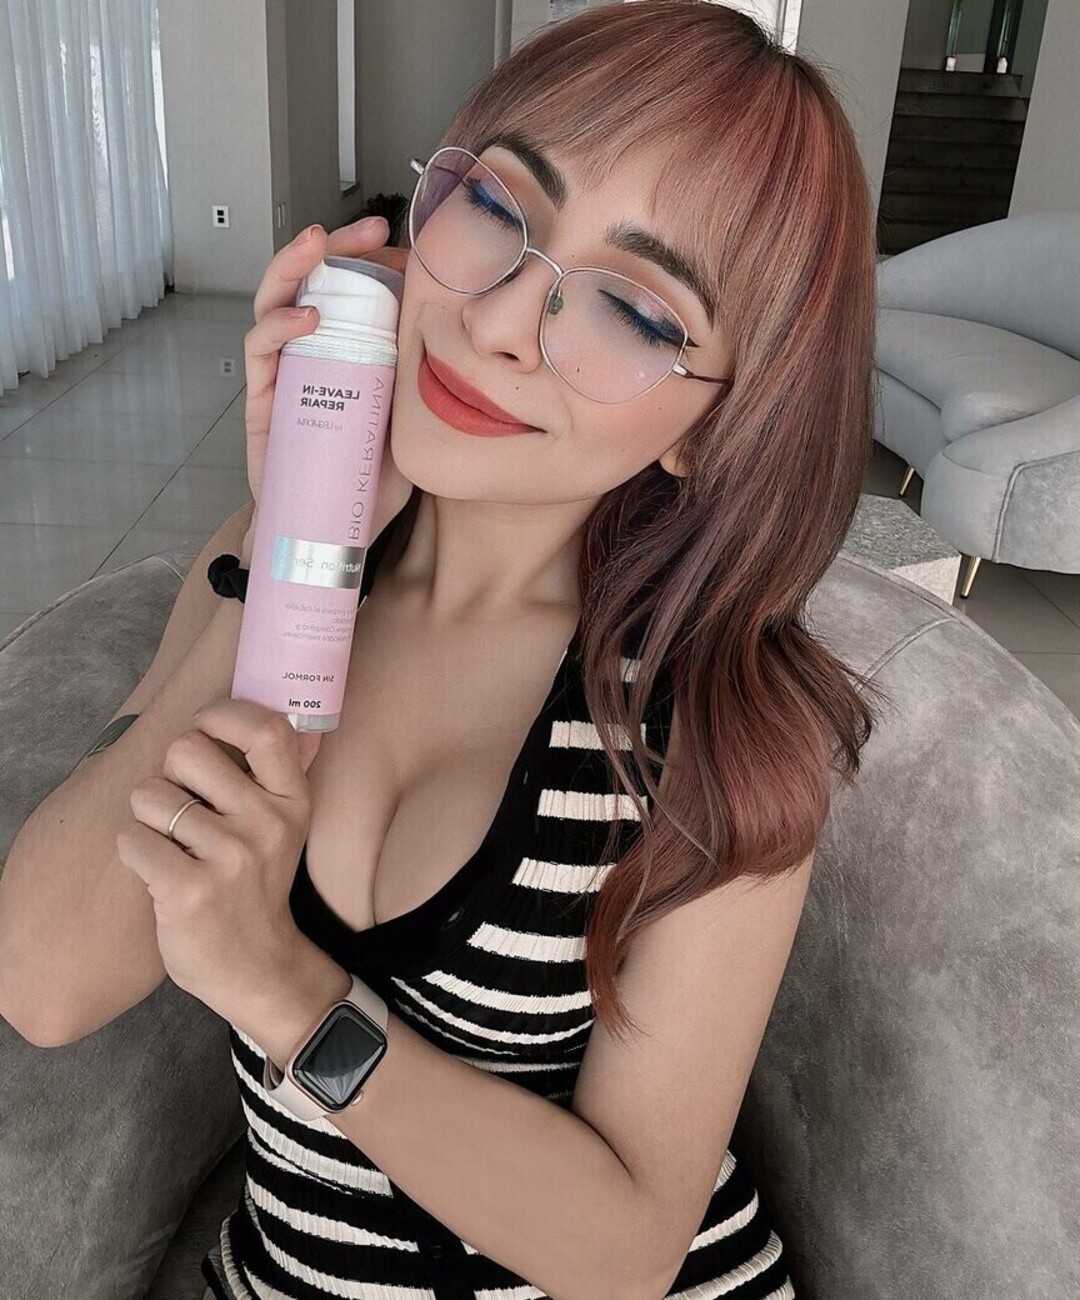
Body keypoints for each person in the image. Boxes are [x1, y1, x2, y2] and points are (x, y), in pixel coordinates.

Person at [1, 3, 886, 1297]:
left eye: (636, 314)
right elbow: (45, 981)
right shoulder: (273, 568)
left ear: (711, 428)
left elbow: (627, 1251)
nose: (499, 320)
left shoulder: (712, 722)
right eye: (498, 207)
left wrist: (290, 996)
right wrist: (299, 540)